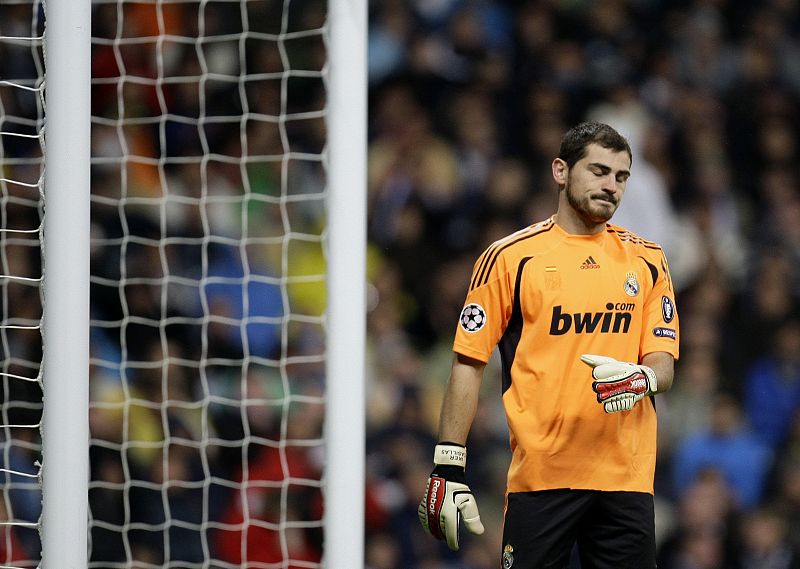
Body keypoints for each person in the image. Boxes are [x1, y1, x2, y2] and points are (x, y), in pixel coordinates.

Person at [418, 121, 680, 568]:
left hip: (627, 480)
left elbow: (663, 361)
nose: (611, 186)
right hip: (541, 479)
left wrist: (644, 377)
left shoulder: (648, 259)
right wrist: (448, 464)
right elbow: (468, 362)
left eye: (621, 177)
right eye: (598, 171)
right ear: (561, 171)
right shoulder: (510, 258)